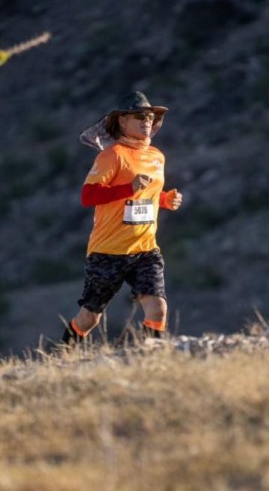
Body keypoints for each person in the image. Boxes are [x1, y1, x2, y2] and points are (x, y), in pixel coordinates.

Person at [61, 91, 183, 345]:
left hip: (145, 248)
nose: (147, 120)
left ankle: (151, 359)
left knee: (158, 307)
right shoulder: (111, 155)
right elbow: (88, 196)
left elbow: (145, 194)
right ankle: (61, 353)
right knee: (89, 318)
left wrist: (164, 200)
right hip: (108, 251)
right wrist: (128, 188)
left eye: (151, 116)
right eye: (139, 116)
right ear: (122, 122)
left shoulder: (157, 157)